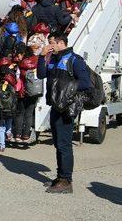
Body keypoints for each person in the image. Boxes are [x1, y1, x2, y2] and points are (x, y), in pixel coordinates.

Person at [36, 31, 92, 194]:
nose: (49, 45)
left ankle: (66, 180)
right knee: (58, 144)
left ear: (61, 42)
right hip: (55, 107)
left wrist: (64, 88)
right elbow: (41, 74)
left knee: (64, 144)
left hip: (67, 107)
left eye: (51, 42)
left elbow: (85, 83)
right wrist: (41, 56)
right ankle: (60, 176)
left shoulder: (75, 60)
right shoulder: (53, 59)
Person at [13, 46, 40, 144]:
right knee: (29, 114)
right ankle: (26, 135)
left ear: (23, 53)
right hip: (34, 91)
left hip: (23, 92)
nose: (18, 57)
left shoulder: (21, 64)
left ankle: (17, 135)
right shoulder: (37, 61)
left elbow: (17, 78)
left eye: (19, 55)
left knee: (20, 113)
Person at [0, 67, 18, 152]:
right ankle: (8, 133)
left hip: (1, 110)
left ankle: (1, 146)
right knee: (9, 123)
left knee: (1, 128)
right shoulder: (12, 86)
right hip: (10, 110)